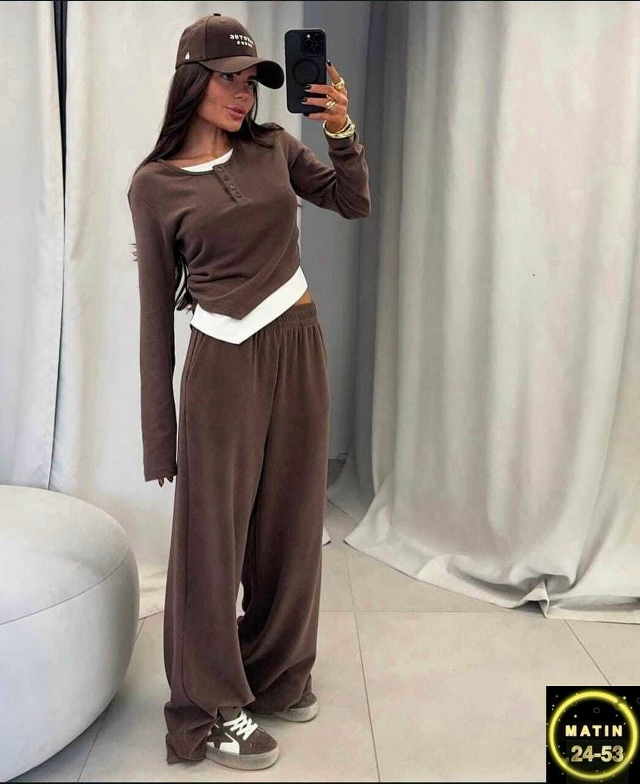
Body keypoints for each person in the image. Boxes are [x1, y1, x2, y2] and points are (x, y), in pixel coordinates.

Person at [127, 13, 370, 772]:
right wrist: (159, 436)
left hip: (299, 344)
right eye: (228, 80)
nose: (243, 95)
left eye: (253, 82)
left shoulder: (273, 148)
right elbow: (153, 316)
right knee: (213, 542)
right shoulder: (154, 185)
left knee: (292, 525)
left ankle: (276, 672)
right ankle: (208, 706)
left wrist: (341, 131)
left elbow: (351, 201)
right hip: (223, 363)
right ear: (192, 82)